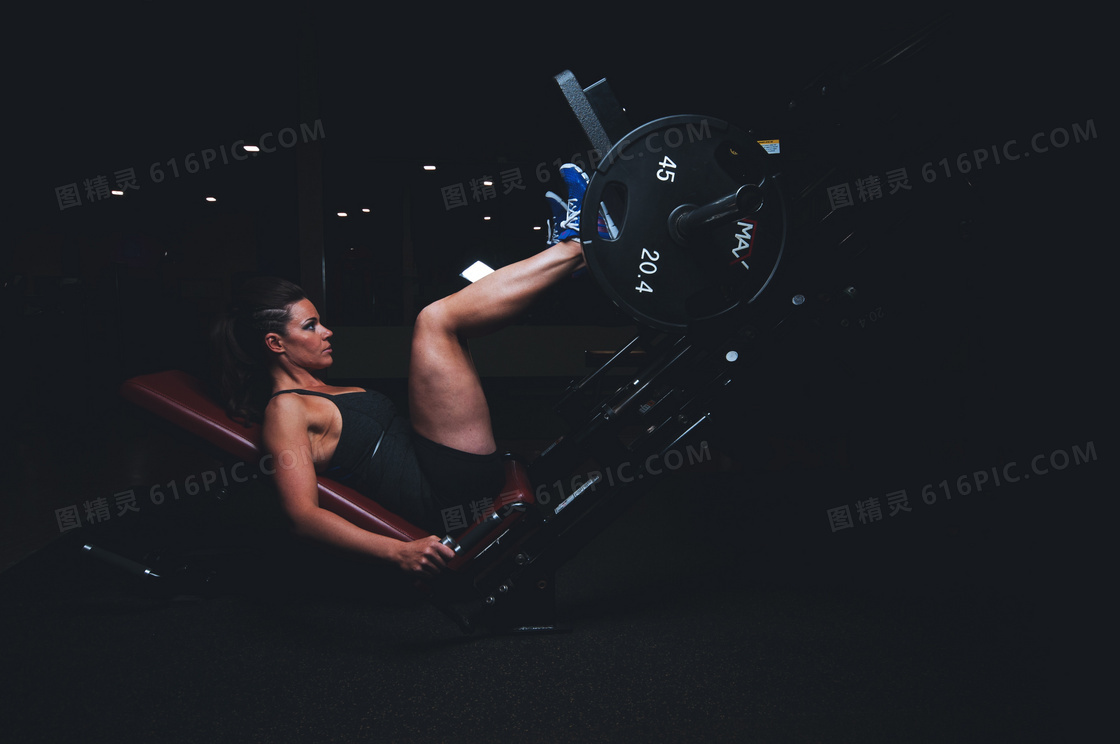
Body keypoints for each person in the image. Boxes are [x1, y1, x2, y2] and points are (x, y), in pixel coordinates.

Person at [212, 164, 595, 578]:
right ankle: (579, 245)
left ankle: (568, 259)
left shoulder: (317, 390)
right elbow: (301, 516)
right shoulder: (284, 411)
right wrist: (398, 551)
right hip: (441, 493)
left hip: (441, 468)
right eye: (310, 326)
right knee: (436, 321)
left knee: (453, 328)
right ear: (275, 344)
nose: (327, 332)